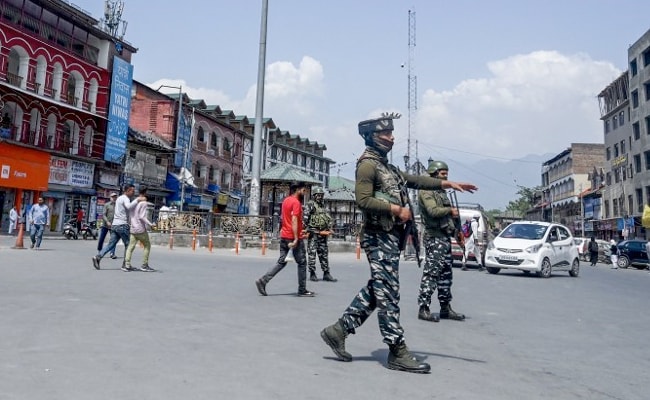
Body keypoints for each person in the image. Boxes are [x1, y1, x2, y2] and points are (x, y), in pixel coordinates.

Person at [319, 113, 477, 374]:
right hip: (377, 237)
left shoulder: (386, 167)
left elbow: (413, 180)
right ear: (372, 136)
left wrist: (446, 183)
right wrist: (396, 209)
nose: (392, 138)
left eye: (391, 134)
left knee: (378, 289)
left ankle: (338, 331)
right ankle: (397, 351)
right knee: (389, 294)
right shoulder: (368, 165)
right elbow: (363, 199)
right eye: (386, 134)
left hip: (390, 238)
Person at [417, 160, 466, 323]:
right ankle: (423, 308)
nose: (446, 177)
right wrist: (449, 211)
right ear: (433, 174)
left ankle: (445, 308)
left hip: (444, 237)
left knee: (446, 275)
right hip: (434, 237)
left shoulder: (441, 192)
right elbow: (433, 211)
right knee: (431, 273)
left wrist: (456, 233)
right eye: (443, 174)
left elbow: (448, 218)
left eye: (447, 174)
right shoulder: (426, 190)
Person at [255, 181, 315, 297]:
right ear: (297, 189)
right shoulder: (296, 203)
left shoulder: (286, 201)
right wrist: (297, 238)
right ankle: (302, 290)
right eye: (303, 190)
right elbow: (293, 220)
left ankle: (263, 280)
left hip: (284, 236)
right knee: (302, 263)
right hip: (293, 238)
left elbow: (286, 219)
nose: (305, 192)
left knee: (281, 262)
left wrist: (299, 230)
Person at [92, 184, 145, 271]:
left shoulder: (119, 198)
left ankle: (98, 257)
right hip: (122, 225)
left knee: (111, 244)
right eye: (132, 190)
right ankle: (125, 265)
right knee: (129, 245)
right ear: (127, 191)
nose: (133, 192)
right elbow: (129, 206)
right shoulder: (125, 198)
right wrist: (137, 200)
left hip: (115, 225)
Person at [303, 186, 336, 282]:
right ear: (314, 196)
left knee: (324, 254)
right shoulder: (310, 205)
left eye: (321, 195)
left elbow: (328, 217)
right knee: (312, 253)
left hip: (323, 233)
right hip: (314, 233)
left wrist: (329, 226)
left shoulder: (323, 206)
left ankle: (326, 273)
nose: (320, 197)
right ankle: (312, 273)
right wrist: (308, 228)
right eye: (318, 195)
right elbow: (305, 218)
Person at [124, 186, 155, 272]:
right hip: (140, 228)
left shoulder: (134, 202)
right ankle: (144, 265)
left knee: (130, 246)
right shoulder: (144, 203)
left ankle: (127, 264)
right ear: (145, 192)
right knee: (147, 245)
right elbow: (142, 216)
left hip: (133, 228)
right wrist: (150, 224)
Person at [97, 193, 118, 259]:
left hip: (113, 225)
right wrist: (107, 221)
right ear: (110, 197)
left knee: (113, 239)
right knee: (101, 239)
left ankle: (112, 253)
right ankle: (100, 252)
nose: (114, 198)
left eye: (115, 197)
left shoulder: (117, 206)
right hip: (105, 225)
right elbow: (103, 215)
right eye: (113, 197)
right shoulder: (107, 205)